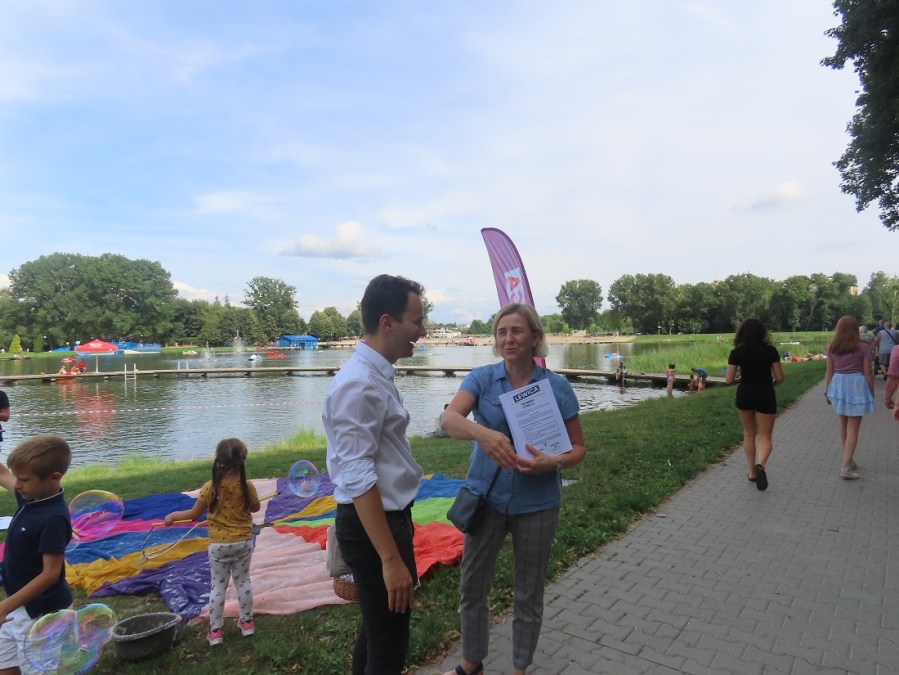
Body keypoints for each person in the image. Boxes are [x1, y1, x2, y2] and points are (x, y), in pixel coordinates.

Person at [440, 303, 587, 675]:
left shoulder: (556, 387)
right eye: (502, 332)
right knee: (473, 585)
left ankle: (519, 668)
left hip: (538, 503)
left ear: (535, 337)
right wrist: (482, 434)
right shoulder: (482, 378)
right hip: (486, 499)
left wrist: (552, 463)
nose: (508, 338)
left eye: (517, 331)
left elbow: (578, 449)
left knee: (528, 591)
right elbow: (449, 419)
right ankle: (471, 663)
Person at [323, 274, 426, 675]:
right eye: (416, 321)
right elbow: (358, 476)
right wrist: (390, 559)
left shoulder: (374, 375)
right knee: (389, 647)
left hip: (382, 521)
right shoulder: (359, 385)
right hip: (374, 527)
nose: (422, 331)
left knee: (377, 632)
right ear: (387, 323)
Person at [165, 438, 260, 646]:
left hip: (218, 547)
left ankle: (216, 631)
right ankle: (247, 623)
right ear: (242, 462)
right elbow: (255, 508)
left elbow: (193, 514)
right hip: (243, 543)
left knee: (218, 587)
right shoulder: (247, 487)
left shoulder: (210, 488)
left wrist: (172, 516)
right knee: (243, 582)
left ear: (219, 462)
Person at [0, 434, 73, 675]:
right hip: (16, 606)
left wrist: (5, 606)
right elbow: (2, 474)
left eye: (23, 479)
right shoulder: (30, 496)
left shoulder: (53, 518)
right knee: (6, 664)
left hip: (41, 613)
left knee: (37, 669)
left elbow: (50, 574)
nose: (17, 485)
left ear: (54, 478)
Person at [725, 318, 785, 491]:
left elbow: (728, 380)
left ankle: (752, 472)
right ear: (762, 333)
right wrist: (771, 383)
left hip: (745, 394)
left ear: (742, 333)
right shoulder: (770, 351)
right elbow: (780, 378)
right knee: (765, 436)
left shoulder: (737, 353)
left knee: (749, 434)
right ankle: (761, 465)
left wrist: (741, 379)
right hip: (765, 393)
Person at [825, 316, 876, 480]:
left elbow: (829, 372)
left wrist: (827, 391)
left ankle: (849, 459)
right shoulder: (864, 346)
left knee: (844, 424)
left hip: (838, 384)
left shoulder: (832, 347)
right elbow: (868, 372)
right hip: (856, 385)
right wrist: (871, 390)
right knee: (853, 427)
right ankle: (845, 467)